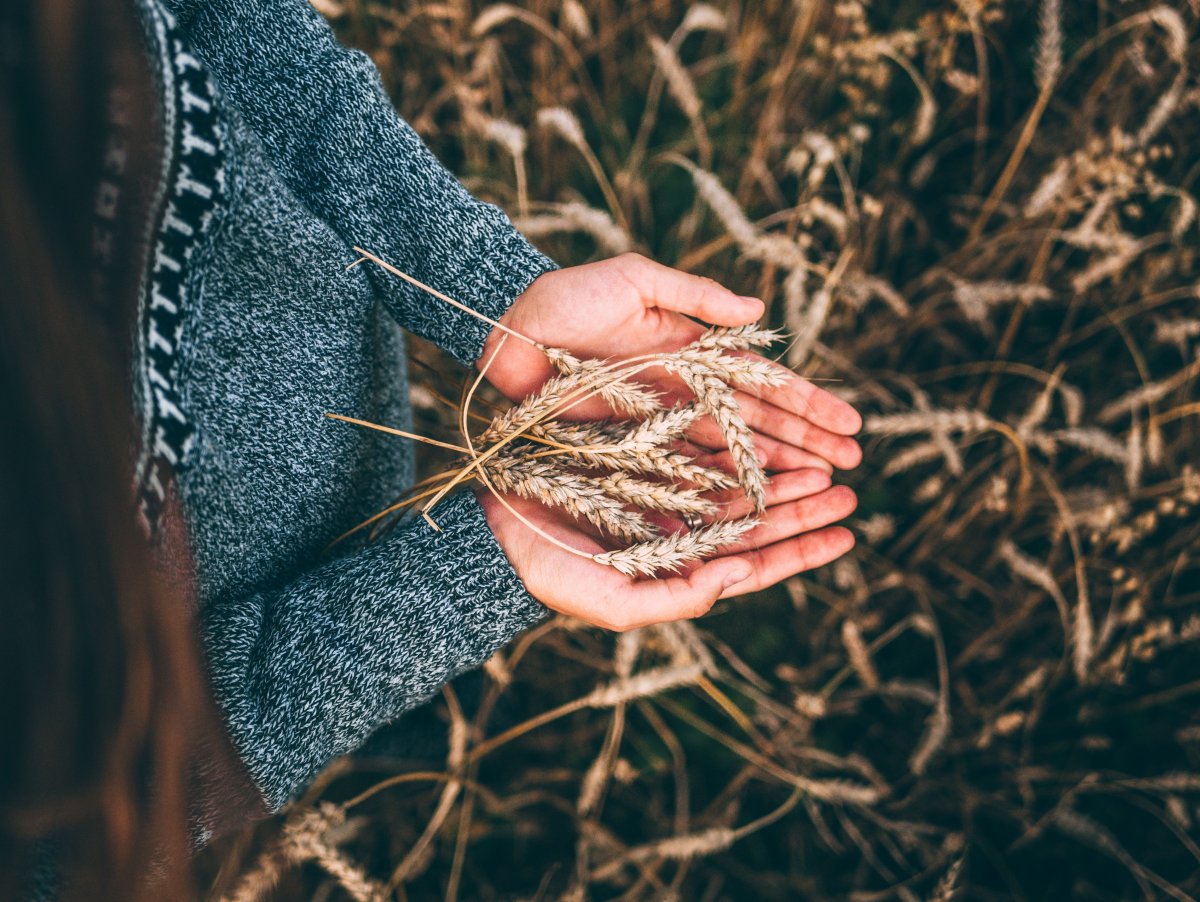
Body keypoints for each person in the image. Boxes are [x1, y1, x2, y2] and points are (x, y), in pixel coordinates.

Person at [0, 0, 862, 895]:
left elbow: (223, 28)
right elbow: (47, 853)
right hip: (243, 774)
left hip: (373, 513)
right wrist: (452, 587)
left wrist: (491, 294)